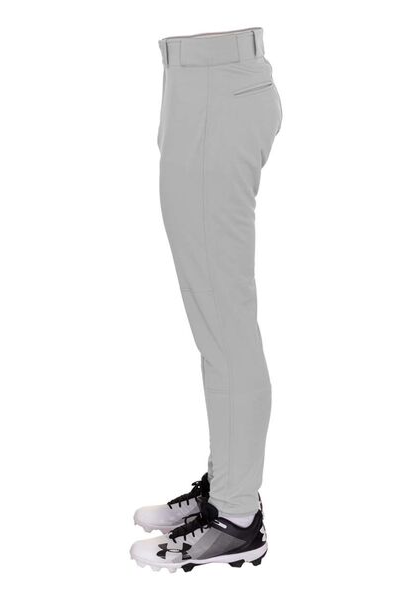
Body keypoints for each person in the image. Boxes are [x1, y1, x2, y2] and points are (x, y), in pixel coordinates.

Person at [130, 27, 282, 572]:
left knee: (224, 321)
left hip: (215, 90)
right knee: (216, 320)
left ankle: (236, 517)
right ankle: (226, 490)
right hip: (197, 87)